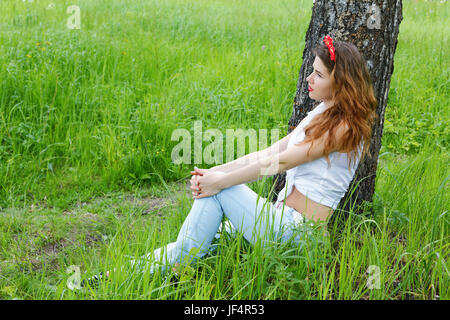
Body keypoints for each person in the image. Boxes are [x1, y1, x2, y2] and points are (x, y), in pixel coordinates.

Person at [81, 35, 377, 287]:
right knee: (202, 239)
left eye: (319, 75)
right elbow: (269, 153)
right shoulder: (321, 113)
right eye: (311, 71)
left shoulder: (345, 127)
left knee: (219, 196)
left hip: (300, 237)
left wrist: (220, 182)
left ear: (341, 82)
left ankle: (168, 268)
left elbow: (282, 162)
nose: (309, 79)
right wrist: (215, 171)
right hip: (279, 222)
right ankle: (116, 275)